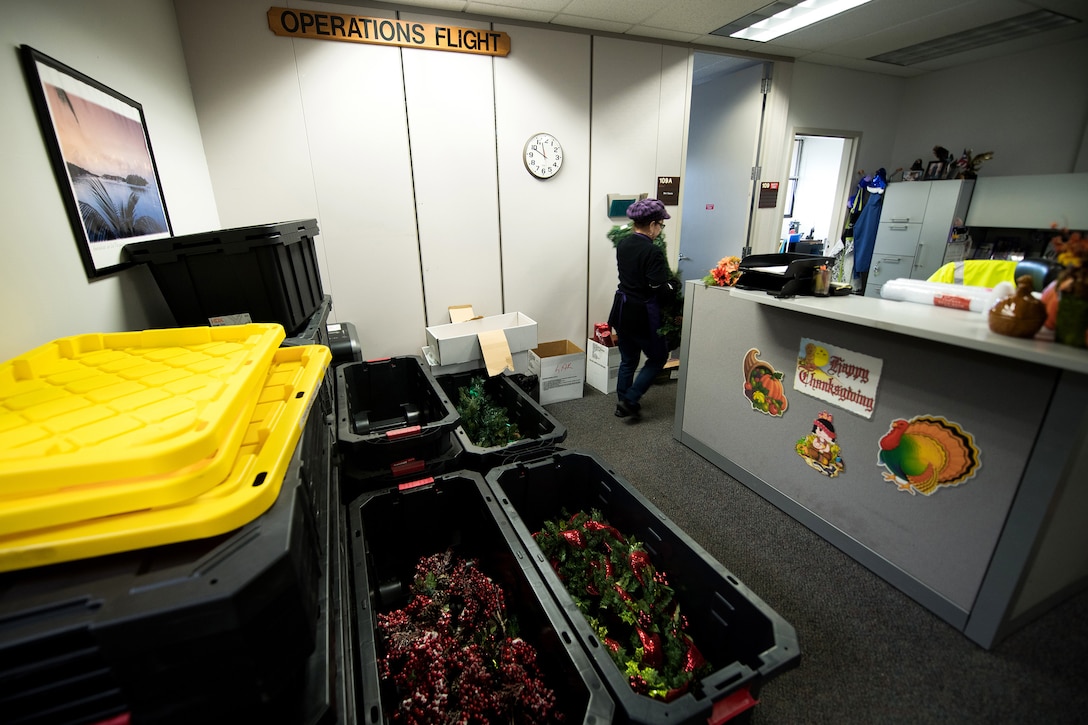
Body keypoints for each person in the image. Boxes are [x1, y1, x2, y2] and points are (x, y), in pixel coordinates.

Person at [607, 198, 673, 421]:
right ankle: (630, 398)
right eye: (661, 225)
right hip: (643, 315)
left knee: (628, 360)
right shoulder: (652, 251)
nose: (660, 230)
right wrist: (673, 286)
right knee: (658, 357)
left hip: (622, 310)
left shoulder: (623, 244)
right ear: (653, 224)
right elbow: (659, 288)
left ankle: (621, 403)